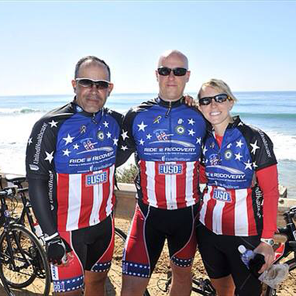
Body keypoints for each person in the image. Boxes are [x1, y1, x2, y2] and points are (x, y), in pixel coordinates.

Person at [26, 56, 123, 295]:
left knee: (97, 285)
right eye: (86, 82)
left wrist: (190, 105)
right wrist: (50, 236)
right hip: (65, 230)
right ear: (74, 84)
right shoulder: (49, 125)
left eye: (100, 84)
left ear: (109, 89)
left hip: (103, 226)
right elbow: (36, 181)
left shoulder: (116, 121)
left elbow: (128, 150)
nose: (93, 90)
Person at [118, 50, 206, 296]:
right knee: (131, 289)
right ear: (156, 74)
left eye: (178, 71)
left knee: (181, 277)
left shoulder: (201, 115)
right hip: (148, 216)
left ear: (187, 76)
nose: (171, 77)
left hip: (187, 217)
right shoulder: (136, 115)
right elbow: (111, 157)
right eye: (165, 70)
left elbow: (222, 152)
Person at [196, 79, 279, 296]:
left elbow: (270, 192)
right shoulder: (203, 139)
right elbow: (203, 175)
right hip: (207, 231)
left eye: (220, 98)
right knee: (222, 290)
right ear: (200, 107)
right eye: (205, 101)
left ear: (231, 102)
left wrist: (267, 241)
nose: (213, 105)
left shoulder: (254, 137)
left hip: (245, 235)